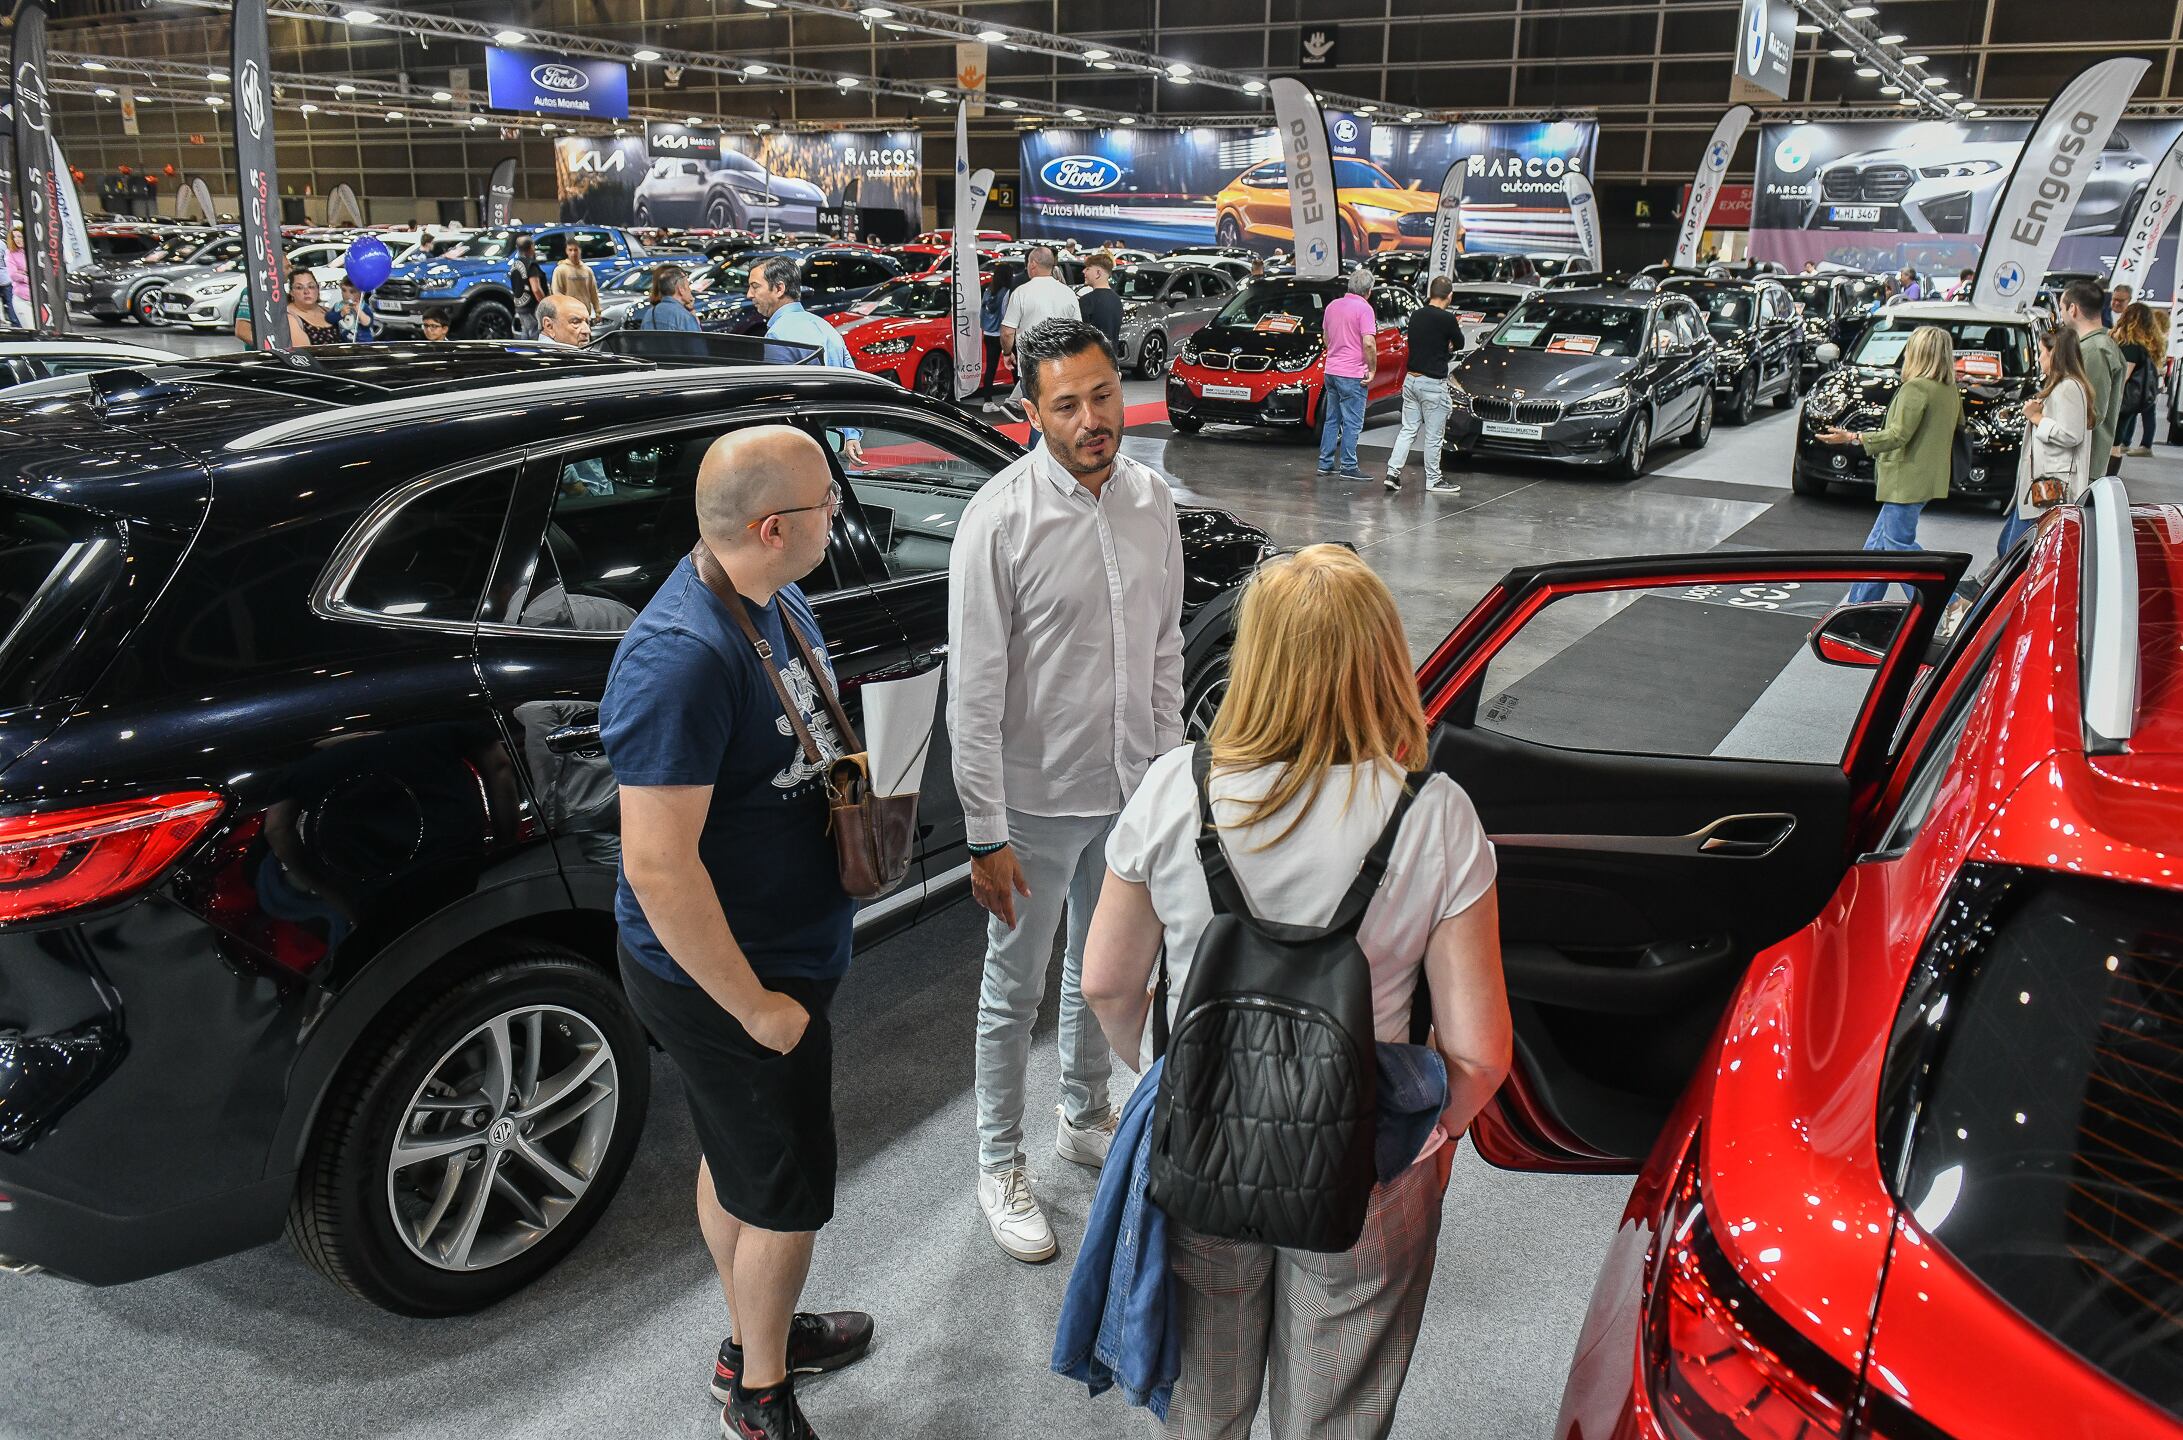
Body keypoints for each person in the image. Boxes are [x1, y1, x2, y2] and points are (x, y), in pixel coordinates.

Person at [1080, 542, 1508, 1440]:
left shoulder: (1175, 788)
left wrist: (1172, 1076)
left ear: (1256, 657)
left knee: (1205, 1394)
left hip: (1200, 1134)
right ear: (1383, 657)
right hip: (1365, 1147)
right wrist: (1428, 1133)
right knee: (1337, 1403)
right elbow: (1477, 1051)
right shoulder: (1434, 814)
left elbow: (1108, 985)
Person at [602, 424, 875, 1440]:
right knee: (787, 1197)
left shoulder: (769, 597)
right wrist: (755, 1009)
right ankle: (759, 1394)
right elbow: (658, 867)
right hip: (736, 975)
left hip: (786, 948)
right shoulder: (680, 658)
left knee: (742, 1158)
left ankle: (755, 1329)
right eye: (824, 504)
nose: (839, 516)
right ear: (773, 526)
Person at [948, 318, 1184, 1264]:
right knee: (1015, 988)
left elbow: (1165, 648)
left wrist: (1169, 782)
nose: (1092, 419)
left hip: (1130, 790)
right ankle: (997, 1162)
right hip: (1034, 804)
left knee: (1104, 971)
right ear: (1028, 411)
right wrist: (981, 833)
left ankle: (1082, 1116)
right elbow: (972, 695)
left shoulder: (1151, 498)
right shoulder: (998, 520)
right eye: (1066, 404)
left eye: (1102, 395)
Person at [1816, 324, 1961, 604]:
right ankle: (1858, 607)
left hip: (1904, 480)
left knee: (1897, 549)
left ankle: (1948, 601)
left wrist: (1853, 436)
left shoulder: (1916, 388)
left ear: (1919, 353)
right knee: (1877, 547)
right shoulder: (1948, 389)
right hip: (1926, 479)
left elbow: (1898, 435)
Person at [747, 254, 862, 463]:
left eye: (755, 287)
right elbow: (852, 384)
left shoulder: (778, 335)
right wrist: (851, 435)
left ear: (779, 289)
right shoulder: (826, 327)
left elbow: (777, 405)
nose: (749, 294)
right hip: (832, 445)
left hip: (800, 451)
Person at [1997, 325, 2095, 556]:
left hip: (2050, 487)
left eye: (2042, 352)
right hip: (2043, 485)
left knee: (2015, 552)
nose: (2039, 358)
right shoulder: (2064, 386)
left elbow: (2072, 435)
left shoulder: (2068, 387)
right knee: (2010, 547)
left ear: (2056, 354)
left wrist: (2037, 418)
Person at [1384, 274, 1463, 495]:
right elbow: (1460, 343)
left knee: (1408, 429)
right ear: (1449, 296)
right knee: (1433, 436)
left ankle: (1392, 473)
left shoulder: (1416, 315)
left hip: (1411, 381)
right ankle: (1433, 480)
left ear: (1431, 293)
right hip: (1432, 384)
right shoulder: (1447, 319)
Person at [996, 245, 1081, 416]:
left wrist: (1007, 353)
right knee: (1056, 415)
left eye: (1027, 263)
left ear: (1033, 264)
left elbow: (1007, 332)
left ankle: (1037, 443)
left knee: (1037, 417)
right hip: (1061, 366)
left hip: (1031, 366)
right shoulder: (1068, 293)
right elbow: (1077, 332)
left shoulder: (1021, 293)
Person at [2061, 279, 2126, 480]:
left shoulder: (2095, 350)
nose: (2061, 314)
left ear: (2073, 309)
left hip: (2080, 463)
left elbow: (2091, 413)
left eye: (2062, 308)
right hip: (2078, 461)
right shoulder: (2096, 345)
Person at [1318, 265, 1378, 481]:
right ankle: (1348, 465)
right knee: (1352, 422)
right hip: (1352, 374)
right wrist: (1372, 370)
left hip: (1331, 371)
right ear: (1368, 291)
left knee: (1332, 419)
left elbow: (1326, 338)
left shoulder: (1333, 306)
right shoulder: (1365, 309)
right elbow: (1369, 343)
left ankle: (1325, 463)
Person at [2113, 300, 2164, 460]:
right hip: (2134, 400)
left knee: (2113, 443)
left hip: (2121, 400)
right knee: (2116, 441)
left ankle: (2107, 477)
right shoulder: (2146, 347)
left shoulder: (2131, 347)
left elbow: (2123, 376)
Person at [632, 263, 703, 332]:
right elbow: (697, 342)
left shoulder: (649, 314)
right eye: (688, 286)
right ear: (680, 289)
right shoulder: (684, 317)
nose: (690, 290)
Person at [1078, 251, 1123, 354]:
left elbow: (1081, 337)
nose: (1083, 271)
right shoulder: (1117, 300)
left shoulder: (1086, 301)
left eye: (1088, 268)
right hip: (1112, 361)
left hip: (1092, 361)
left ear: (1098, 273)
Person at [285, 269, 341, 348]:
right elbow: (303, 354)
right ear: (291, 292)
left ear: (317, 288)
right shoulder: (289, 317)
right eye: (299, 287)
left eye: (311, 286)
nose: (306, 291)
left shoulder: (327, 311)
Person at [551, 236, 600, 315]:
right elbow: (557, 293)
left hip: (585, 312)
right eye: (570, 250)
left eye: (576, 250)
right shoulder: (560, 270)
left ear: (580, 251)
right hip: (568, 313)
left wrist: (598, 311)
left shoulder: (587, 271)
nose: (573, 253)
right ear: (566, 251)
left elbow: (593, 292)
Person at [510, 235, 546, 338]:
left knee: (525, 333)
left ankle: (523, 353)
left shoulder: (515, 264)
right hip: (532, 307)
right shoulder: (531, 265)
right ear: (531, 247)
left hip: (520, 305)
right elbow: (536, 289)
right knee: (535, 333)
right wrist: (544, 304)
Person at [333, 277, 376, 343]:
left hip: (362, 341)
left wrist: (358, 310)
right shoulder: (338, 306)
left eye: (352, 292)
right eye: (344, 290)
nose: (347, 295)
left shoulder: (363, 307)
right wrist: (340, 314)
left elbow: (367, 323)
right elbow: (330, 318)